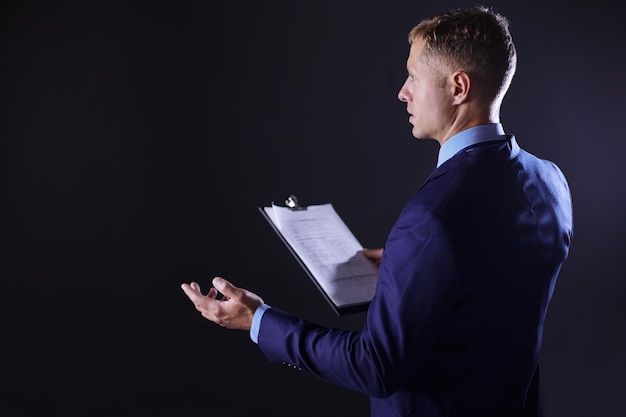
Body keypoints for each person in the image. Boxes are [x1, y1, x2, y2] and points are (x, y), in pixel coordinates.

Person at [181, 6, 573, 416]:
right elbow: (499, 280)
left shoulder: (433, 218)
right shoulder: (551, 183)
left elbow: (375, 366)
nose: (403, 91)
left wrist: (258, 320)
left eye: (414, 78)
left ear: (458, 88)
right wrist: (424, 266)